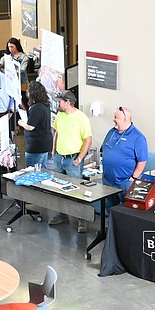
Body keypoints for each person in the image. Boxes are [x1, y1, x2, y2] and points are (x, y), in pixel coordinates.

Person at [50, 91, 93, 231]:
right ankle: (62, 215)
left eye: (60, 101)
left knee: (78, 190)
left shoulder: (81, 118)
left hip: (72, 160)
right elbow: (56, 133)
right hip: (59, 158)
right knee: (59, 187)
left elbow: (88, 140)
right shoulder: (60, 116)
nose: (58, 103)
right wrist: (53, 150)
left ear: (68, 102)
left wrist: (79, 159)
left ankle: (82, 219)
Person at [98, 106, 148, 207]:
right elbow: (103, 150)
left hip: (125, 182)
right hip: (108, 180)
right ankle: (110, 223)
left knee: (127, 211)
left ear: (125, 119)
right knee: (110, 208)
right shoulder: (111, 132)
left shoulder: (138, 137)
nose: (113, 119)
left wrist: (133, 177)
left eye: (116, 117)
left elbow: (142, 160)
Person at [20, 80, 53, 169]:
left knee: (32, 171)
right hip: (44, 144)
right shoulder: (45, 105)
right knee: (42, 169)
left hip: (36, 146)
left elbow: (30, 127)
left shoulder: (36, 108)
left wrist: (22, 123)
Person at [4, 37, 30, 110]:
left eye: (12, 47)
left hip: (22, 82)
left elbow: (22, 69)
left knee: (23, 100)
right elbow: (2, 64)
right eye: (9, 47)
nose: (10, 49)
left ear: (17, 46)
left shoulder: (24, 57)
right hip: (11, 82)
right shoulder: (8, 57)